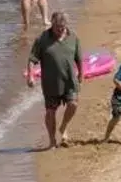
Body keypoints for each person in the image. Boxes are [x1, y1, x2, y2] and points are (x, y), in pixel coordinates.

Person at [27, 11, 81, 149]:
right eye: (58, 28)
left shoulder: (73, 37)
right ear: (52, 24)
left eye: (63, 28)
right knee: (50, 112)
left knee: (73, 104)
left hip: (69, 80)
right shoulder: (42, 39)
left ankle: (63, 126)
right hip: (51, 83)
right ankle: (52, 141)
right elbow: (32, 59)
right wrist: (31, 76)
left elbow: (79, 58)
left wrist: (81, 74)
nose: (60, 30)